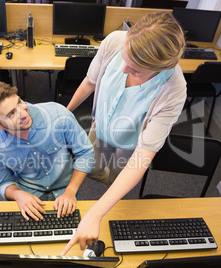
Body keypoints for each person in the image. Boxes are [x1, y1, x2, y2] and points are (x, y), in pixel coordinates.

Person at [61, 12, 187, 255]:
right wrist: (64, 114)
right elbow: (90, 81)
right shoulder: (115, 41)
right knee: (91, 167)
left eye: (135, 70)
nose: (122, 68)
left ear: (159, 69)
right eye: (124, 57)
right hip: (100, 126)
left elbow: (142, 157)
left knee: (117, 181)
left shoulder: (173, 89)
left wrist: (95, 214)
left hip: (130, 144)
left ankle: (108, 202)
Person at [0, 81, 94, 221]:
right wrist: (18, 195)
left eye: (20, 102)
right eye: (11, 114)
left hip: (66, 190)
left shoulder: (58, 115)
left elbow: (85, 153)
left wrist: (71, 191)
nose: (23, 113)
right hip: (28, 196)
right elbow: (2, 182)